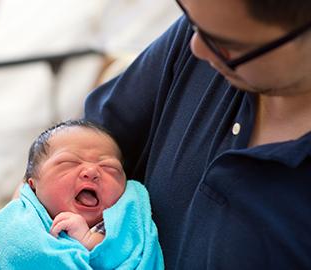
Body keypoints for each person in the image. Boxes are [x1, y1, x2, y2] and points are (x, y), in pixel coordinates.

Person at [84, 0, 311, 269]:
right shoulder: (206, 27)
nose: (197, 49)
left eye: (227, 45)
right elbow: (73, 149)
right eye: (188, 17)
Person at [0, 119, 163, 269]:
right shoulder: (19, 223)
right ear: (32, 185)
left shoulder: (122, 220)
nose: (92, 171)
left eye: (109, 168)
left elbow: (127, 251)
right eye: (69, 163)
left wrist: (89, 241)